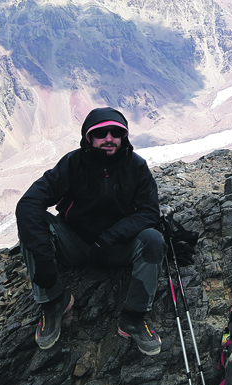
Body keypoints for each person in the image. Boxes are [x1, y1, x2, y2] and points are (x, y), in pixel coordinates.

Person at [16, 107, 165, 355]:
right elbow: (29, 202)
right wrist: (42, 258)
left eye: (115, 132)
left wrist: (110, 237)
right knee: (33, 222)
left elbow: (149, 212)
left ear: (124, 136)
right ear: (88, 137)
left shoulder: (136, 166)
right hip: (74, 242)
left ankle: (133, 317)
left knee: (153, 239)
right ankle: (53, 302)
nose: (109, 138)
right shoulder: (72, 164)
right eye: (101, 133)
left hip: (116, 247)